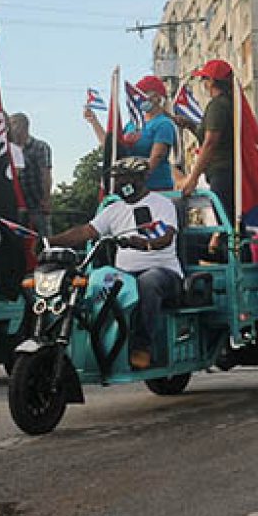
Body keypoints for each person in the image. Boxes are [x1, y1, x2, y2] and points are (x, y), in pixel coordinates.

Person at [48, 157, 183, 370]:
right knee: (96, 281)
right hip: (125, 275)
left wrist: (145, 244)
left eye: (124, 178)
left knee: (149, 281)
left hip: (164, 274)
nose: (120, 184)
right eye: (117, 179)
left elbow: (166, 236)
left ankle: (142, 347)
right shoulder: (113, 209)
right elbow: (85, 232)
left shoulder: (162, 204)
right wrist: (49, 241)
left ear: (141, 178)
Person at [84, 75, 176, 191]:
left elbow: (156, 157)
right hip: (130, 189)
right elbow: (111, 147)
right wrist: (94, 121)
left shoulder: (163, 124)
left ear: (157, 98)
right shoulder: (131, 125)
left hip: (156, 188)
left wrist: (136, 178)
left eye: (142, 95)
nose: (138, 99)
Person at [177, 60, 235, 222]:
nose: (203, 84)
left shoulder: (217, 105)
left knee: (227, 223)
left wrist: (193, 177)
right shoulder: (229, 103)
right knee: (230, 222)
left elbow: (210, 142)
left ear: (211, 82)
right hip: (227, 172)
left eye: (204, 80)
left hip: (222, 172)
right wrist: (189, 125)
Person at [8, 113, 53, 236]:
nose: (9, 129)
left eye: (12, 124)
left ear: (23, 126)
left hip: (36, 201)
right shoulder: (8, 149)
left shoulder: (40, 147)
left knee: (43, 237)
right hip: (15, 204)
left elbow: (45, 173)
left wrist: (46, 199)